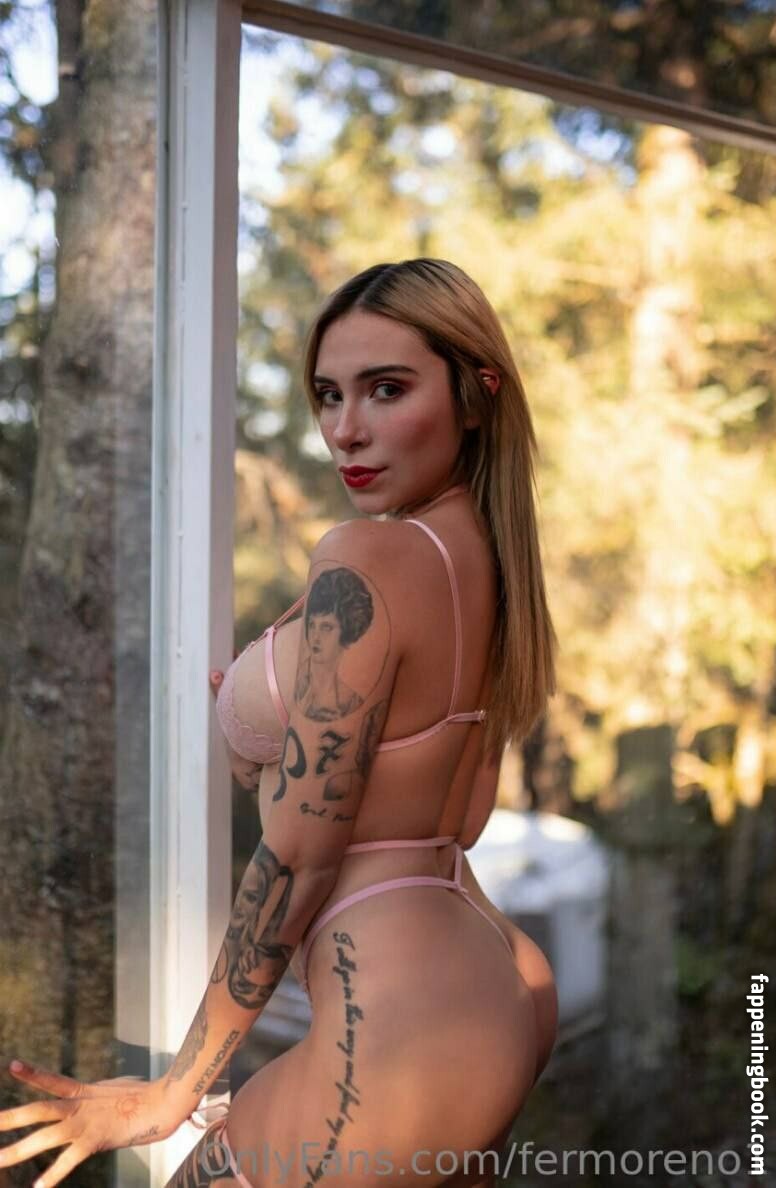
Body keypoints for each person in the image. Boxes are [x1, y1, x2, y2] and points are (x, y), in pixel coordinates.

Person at [0, 258, 558, 1187]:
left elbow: (299, 857)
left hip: (399, 1026)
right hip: (495, 976)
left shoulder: (368, 557)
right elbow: (450, 815)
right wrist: (275, 748)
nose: (346, 429)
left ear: (476, 392)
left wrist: (173, 1091)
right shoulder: (490, 563)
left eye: (387, 389)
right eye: (329, 395)